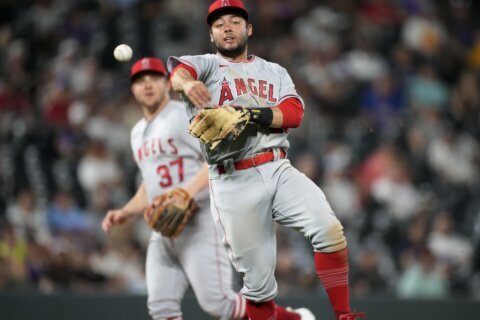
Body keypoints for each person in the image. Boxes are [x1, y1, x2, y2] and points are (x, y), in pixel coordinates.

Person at [167, 1, 366, 320]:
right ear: (211, 34)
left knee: (329, 230)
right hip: (232, 179)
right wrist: (187, 84)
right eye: (219, 24)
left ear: (249, 29)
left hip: (277, 167)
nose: (227, 27)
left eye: (234, 21)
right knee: (259, 289)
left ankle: (344, 314)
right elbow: (178, 73)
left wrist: (246, 113)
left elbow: (294, 114)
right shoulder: (204, 65)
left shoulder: (274, 71)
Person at [101, 57, 311, 320]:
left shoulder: (180, 116)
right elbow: (150, 183)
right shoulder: (136, 132)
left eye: (154, 78)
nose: (147, 85)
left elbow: (217, 159)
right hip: (164, 227)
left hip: (200, 220)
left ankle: (294, 319)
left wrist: (186, 194)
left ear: (167, 83)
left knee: (220, 304)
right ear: (132, 89)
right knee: (160, 307)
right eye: (140, 81)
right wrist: (126, 212)